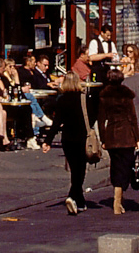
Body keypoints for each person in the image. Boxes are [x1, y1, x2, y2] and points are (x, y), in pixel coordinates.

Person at [42, 71, 89, 215]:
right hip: (82, 137)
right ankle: (73, 197)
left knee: (74, 168)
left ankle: (78, 200)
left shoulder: (61, 100)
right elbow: (91, 116)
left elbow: (56, 123)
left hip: (68, 138)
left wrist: (48, 141)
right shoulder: (83, 98)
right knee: (80, 170)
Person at [98, 69, 139, 215]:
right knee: (126, 167)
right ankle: (118, 199)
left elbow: (101, 120)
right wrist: (137, 137)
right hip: (127, 135)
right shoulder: (127, 95)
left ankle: (117, 198)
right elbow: (133, 118)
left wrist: (103, 139)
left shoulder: (104, 96)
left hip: (112, 135)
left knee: (116, 166)